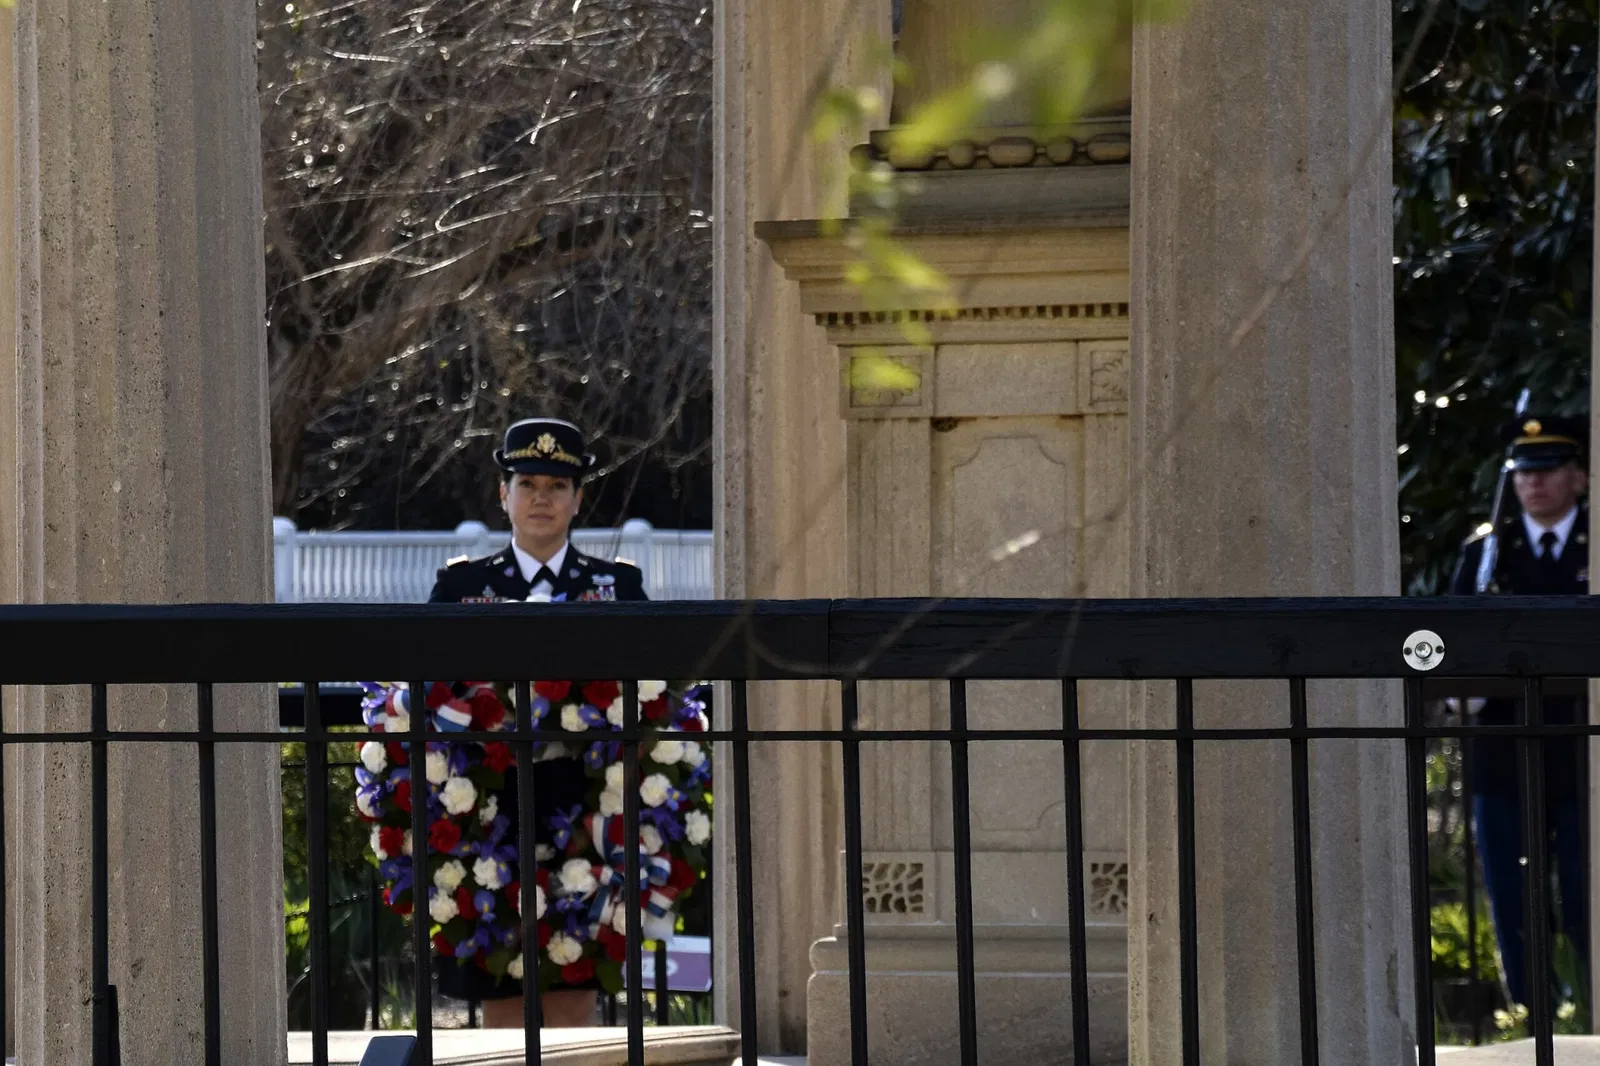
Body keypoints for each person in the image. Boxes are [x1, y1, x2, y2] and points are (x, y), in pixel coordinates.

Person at [429, 417, 647, 1027]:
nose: (542, 498)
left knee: (577, 977)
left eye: (558, 484)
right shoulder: (462, 587)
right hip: (490, 816)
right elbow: (430, 695)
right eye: (527, 482)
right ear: (503, 495)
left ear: (579, 497)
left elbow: (651, 701)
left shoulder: (618, 587)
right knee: (500, 994)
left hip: (585, 816)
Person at [1450, 413, 1589, 1007]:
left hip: (1584, 744)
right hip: (1503, 744)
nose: (1533, 484)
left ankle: (1591, 995)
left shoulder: (1596, 545)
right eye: (1523, 473)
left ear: (1579, 477)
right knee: (1511, 882)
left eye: (1549, 470)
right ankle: (1531, 1004)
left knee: (1588, 881)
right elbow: (1452, 639)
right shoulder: (1487, 552)